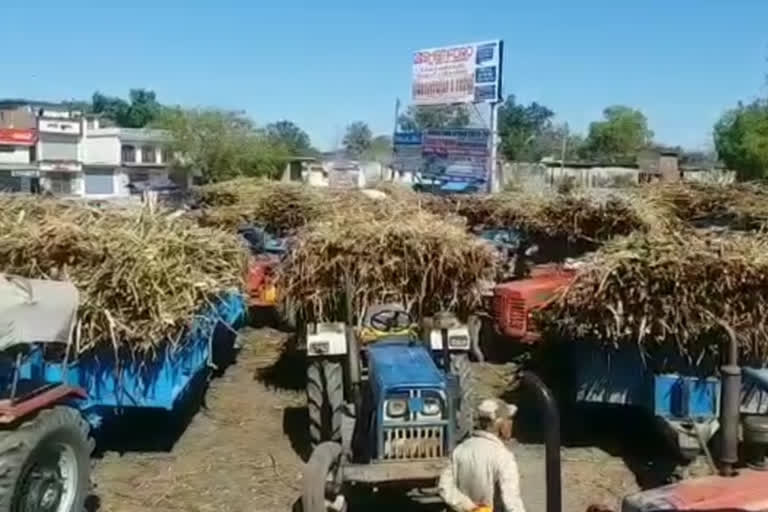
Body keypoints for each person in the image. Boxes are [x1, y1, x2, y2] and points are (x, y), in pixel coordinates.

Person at [439, 398, 526, 512]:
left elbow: (444, 488)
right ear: (499, 423)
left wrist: (470, 507)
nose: (511, 423)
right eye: (508, 419)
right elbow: (511, 502)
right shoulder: (503, 457)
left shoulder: (459, 450)